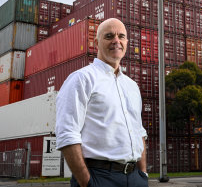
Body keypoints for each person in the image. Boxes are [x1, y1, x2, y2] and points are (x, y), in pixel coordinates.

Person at [56, 18, 149, 187]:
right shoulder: (82, 79)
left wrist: (143, 174)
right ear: (97, 42)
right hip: (98, 177)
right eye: (109, 36)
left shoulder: (132, 86)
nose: (116, 41)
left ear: (127, 42)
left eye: (121, 36)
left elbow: (139, 132)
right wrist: (86, 181)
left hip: (135, 178)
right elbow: (67, 133)